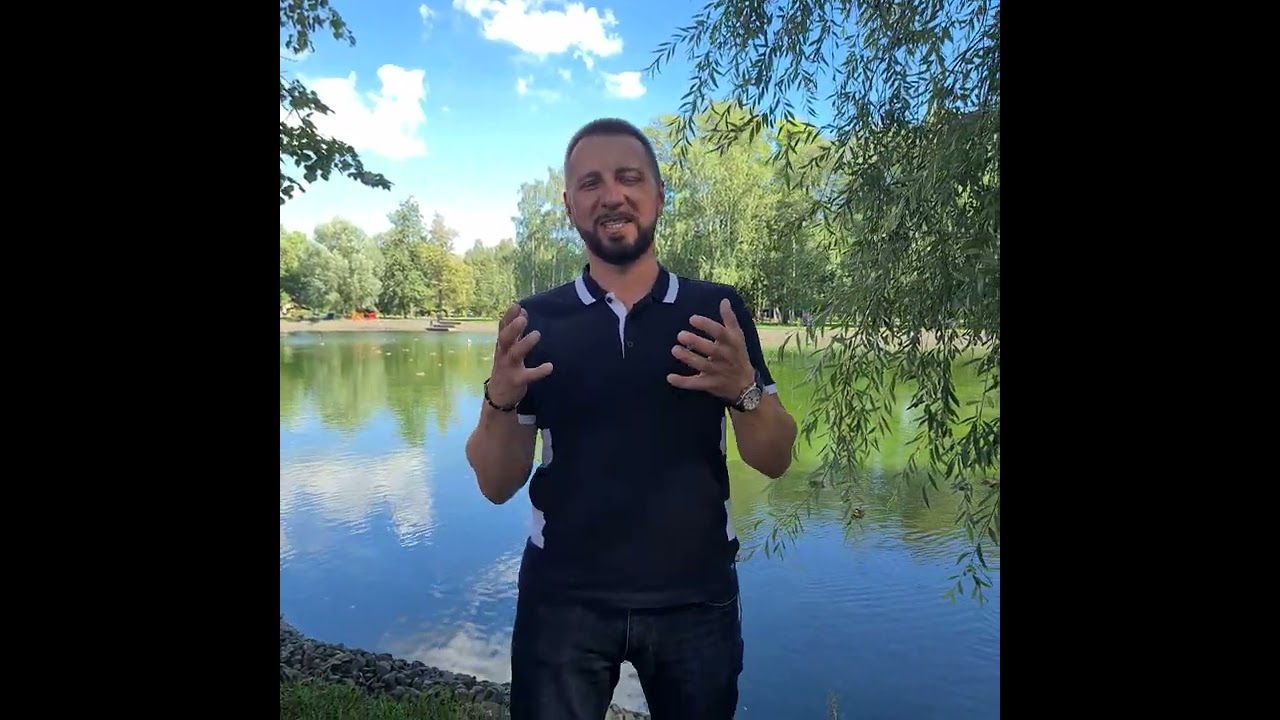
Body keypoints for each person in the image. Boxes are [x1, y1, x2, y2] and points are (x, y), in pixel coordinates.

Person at [465, 118, 799, 720]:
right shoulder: (534, 321)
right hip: (562, 600)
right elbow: (494, 484)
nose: (612, 195)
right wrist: (501, 399)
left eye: (629, 177)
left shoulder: (717, 312)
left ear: (659, 195)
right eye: (590, 183)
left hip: (696, 597)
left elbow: (774, 459)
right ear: (569, 205)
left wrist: (743, 389)